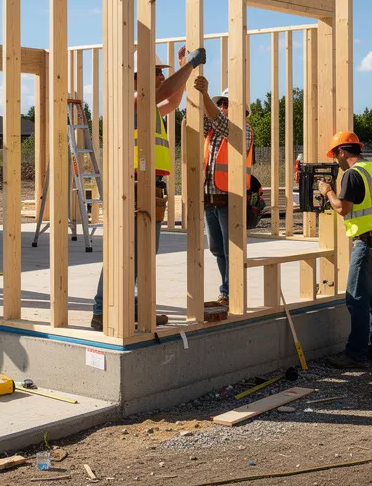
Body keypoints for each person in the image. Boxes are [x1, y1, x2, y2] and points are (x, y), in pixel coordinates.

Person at [90, 48, 202, 331]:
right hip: (134, 187)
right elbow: (166, 90)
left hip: (149, 187)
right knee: (129, 252)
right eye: (157, 71)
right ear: (139, 77)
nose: (162, 76)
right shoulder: (134, 101)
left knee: (143, 254)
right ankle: (102, 311)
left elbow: (173, 98)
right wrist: (188, 65)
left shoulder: (149, 105)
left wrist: (184, 69)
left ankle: (136, 307)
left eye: (163, 71)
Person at [314, 131, 372, 369]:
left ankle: (355, 355)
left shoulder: (352, 174)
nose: (335, 161)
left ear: (342, 152)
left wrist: (327, 191)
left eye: (335, 156)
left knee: (356, 299)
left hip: (368, 243)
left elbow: (342, 208)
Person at [195, 80, 255, 307]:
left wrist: (205, 94)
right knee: (218, 250)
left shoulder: (242, 130)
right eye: (222, 103)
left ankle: (231, 294)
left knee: (232, 251)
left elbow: (220, 123)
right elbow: (198, 119)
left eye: (228, 104)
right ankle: (227, 292)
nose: (223, 107)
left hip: (230, 201)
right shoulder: (213, 131)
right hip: (211, 200)